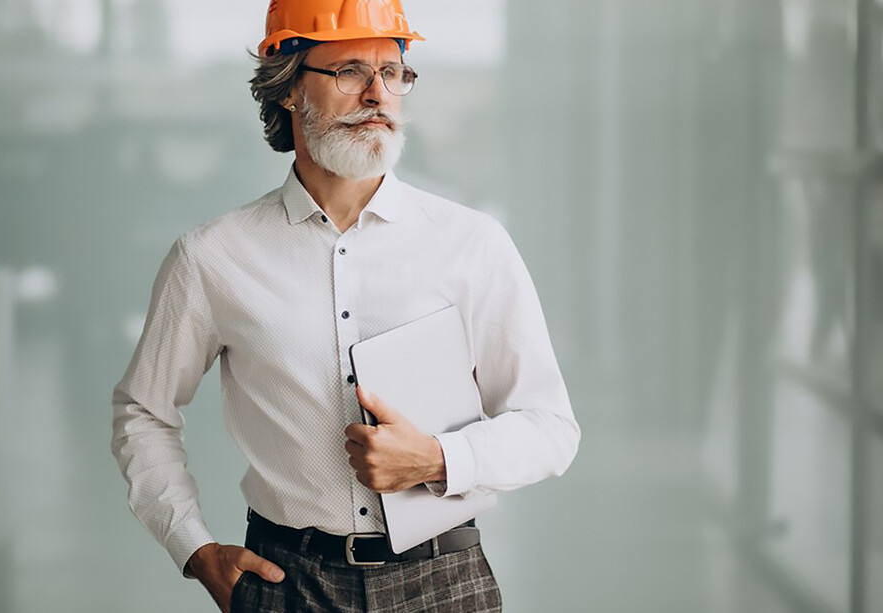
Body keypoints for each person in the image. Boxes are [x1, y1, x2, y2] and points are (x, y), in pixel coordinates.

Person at [111, 1, 581, 610]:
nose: (378, 94)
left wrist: (439, 458)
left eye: (393, 72)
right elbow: (142, 413)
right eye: (351, 71)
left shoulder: (471, 244)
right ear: (288, 89)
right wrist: (195, 551)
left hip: (443, 582)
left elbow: (551, 429)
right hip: (288, 584)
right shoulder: (211, 257)